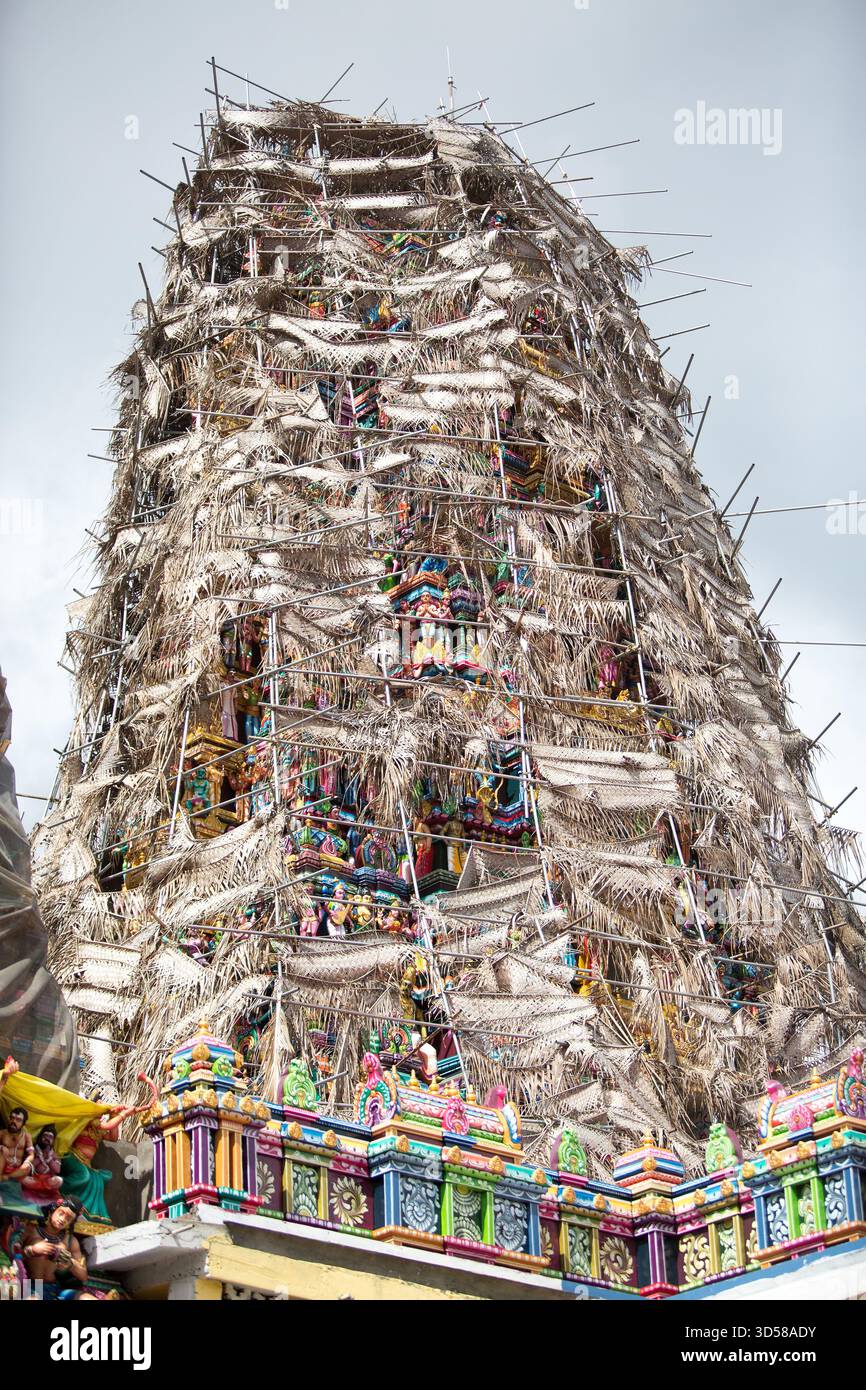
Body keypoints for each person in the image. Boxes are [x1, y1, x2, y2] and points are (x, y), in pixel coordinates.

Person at [22, 1196, 96, 1300]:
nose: (63, 1219)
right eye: (61, 1213)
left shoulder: (71, 1241)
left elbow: (83, 1276)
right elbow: (10, 1254)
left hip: (56, 1288)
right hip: (32, 1286)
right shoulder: (30, 1230)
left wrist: (70, 1263)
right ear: (53, 1210)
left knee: (87, 1298)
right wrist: (32, 1250)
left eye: (68, 1218)